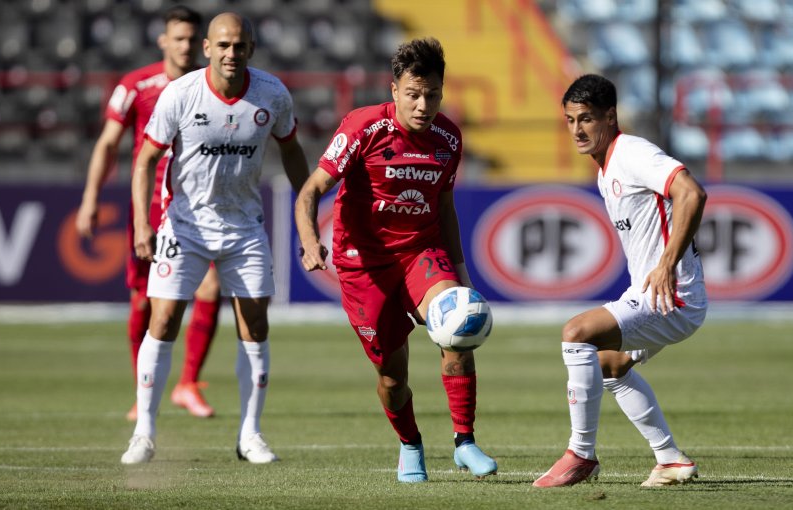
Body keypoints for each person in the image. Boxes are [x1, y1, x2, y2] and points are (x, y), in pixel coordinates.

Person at [294, 37, 497, 483]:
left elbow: (444, 208)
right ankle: (410, 445)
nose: (423, 105)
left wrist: (461, 275)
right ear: (394, 90)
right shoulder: (362, 128)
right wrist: (311, 243)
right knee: (391, 376)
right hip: (364, 265)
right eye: (414, 94)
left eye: (433, 94)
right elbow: (310, 191)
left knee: (458, 331)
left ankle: (465, 442)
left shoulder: (448, 138)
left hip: (421, 253)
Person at [120, 12, 309, 465]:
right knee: (162, 321)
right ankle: (143, 433)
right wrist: (143, 225)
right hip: (184, 225)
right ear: (207, 48)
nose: (231, 54)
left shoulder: (272, 94)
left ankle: (250, 436)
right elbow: (145, 159)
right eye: (222, 45)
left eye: (239, 46)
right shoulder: (180, 95)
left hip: (245, 228)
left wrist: (307, 218)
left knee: (256, 326)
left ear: (251, 48)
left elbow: (292, 150)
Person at [533, 74, 708, 488]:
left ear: (610, 117)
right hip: (660, 295)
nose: (577, 130)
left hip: (671, 296)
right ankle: (670, 460)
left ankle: (581, 454)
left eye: (587, 119)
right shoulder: (606, 168)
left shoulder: (632, 152)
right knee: (609, 364)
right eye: (570, 120)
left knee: (576, 333)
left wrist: (666, 263)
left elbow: (692, 193)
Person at [76, 5, 219, 421]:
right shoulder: (136, 85)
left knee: (210, 289)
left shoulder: (212, 85)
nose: (186, 46)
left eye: (193, 39)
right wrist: (91, 199)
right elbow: (108, 144)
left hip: (198, 208)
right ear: (163, 41)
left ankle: (188, 383)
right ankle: (145, 391)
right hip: (151, 209)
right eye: (179, 38)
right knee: (145, 301)